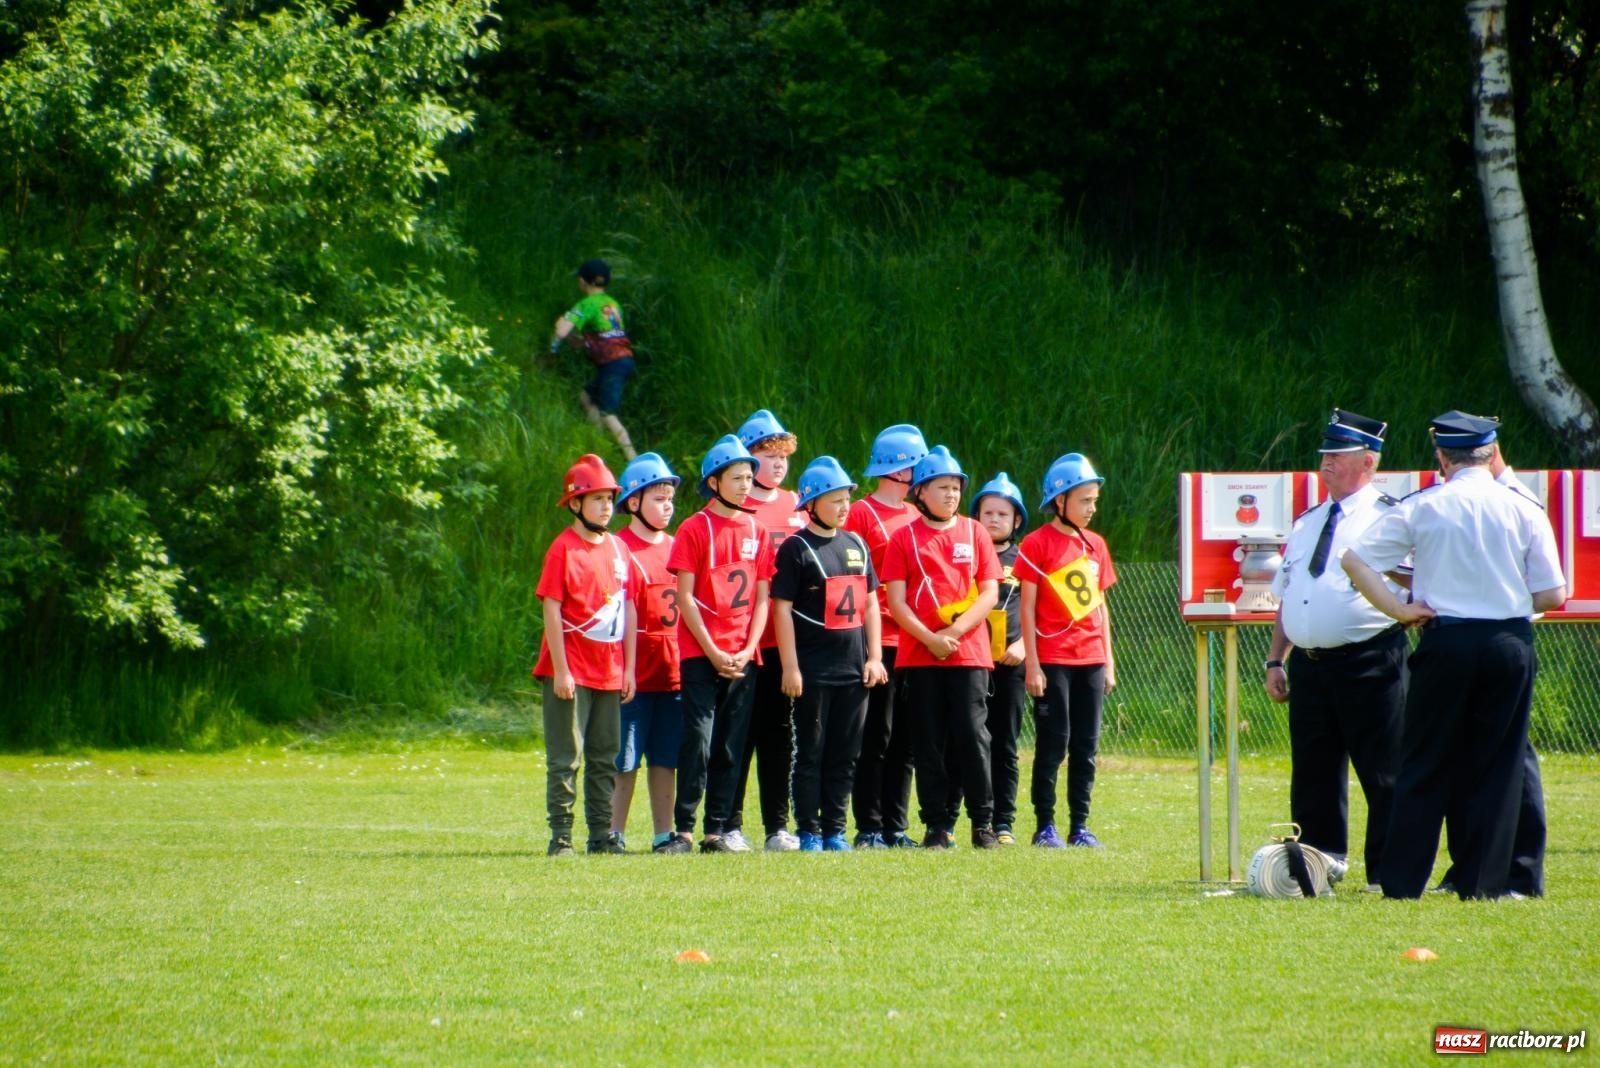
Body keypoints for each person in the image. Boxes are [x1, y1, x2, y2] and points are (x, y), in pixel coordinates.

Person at [1342, 411, 1565, 899]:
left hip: (1446, 640)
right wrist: (1504, 602)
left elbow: (1355, 561)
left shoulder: (1425, 505)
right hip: (1508, 642)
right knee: (1499, 762)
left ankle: (1402, 882)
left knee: (1424, 759)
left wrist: (1400, 611)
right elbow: (1552, 595)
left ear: (1442, 457)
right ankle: (1483, 882)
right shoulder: (1524, 508)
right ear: (1491, 454)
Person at [1262, 409, 1405, 892]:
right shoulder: (1307, 522)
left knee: (1383, 771)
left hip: (1370, 659)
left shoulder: (1390, 517)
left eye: (1336, 455)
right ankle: (1320, 863)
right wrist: (1275, 659)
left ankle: (1389, 871)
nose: (1325, 463)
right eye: (1324, 454)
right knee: (1313, 772)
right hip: (1311, 665)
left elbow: (1415, 586)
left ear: (1368, 462)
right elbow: (1289, 595)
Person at [1431, 442, 1549, 896]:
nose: (1447, 462)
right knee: (1464, 755)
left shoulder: (1517, 500)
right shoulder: (1455, 498)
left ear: (1491, 451)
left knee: (1512, 759)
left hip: (1503, 637)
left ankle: (1520, 872)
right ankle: (1469, 868)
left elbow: (1546, 585)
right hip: (1460, 637)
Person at [881, 445, 1003, 849]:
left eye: (955, 487)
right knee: (927, 741)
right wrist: (931, 639)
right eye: (941, 487)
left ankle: (982, 822)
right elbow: (895, 601)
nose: (951, 494)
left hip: (970, 655)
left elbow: (989, 591)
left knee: (972, 736)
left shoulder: (975, 531)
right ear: (920, 493)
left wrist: (957, 633)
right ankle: (936, 825)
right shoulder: (903, 539)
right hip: (919, 656)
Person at [771, 456, 889, 851]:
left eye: (846, 499)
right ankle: (809, 830)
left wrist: (874, 658)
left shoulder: (856, 543)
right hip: (813, 670)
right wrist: (791, 666)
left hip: (853, 671)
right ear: (812, 502)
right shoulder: (795, 548)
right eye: (834, 499)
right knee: (811, 752)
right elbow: (782, 608)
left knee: (846, 753)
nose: (843, 507)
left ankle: (835, 829)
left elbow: (871, 603)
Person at [665, 435, 774, 854]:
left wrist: (747, 651)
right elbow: (685, 596)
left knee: (732, 742)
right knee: (699, 738)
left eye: (749, 476)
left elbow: (763, 596)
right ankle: (684, 830)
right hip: (701, 653)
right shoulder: (694, 528)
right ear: (714, 481)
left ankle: (717, 830)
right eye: (737, 477)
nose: (746, 484)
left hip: (744, 655)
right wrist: (712, 650)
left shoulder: (757, 529)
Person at [532, 454, 636, 856]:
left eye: (610, 499)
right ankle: (561, 837)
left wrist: (628, 667)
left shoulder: (617, 548)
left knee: (604, 757)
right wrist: (561, 670)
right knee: (566, 758)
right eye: (597, 499)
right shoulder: (564, 549)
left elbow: (626, 608)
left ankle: (601, 834)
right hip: (571, 670)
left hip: (609, 670)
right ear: (575, 504)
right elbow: (551, 607)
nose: (607, 506)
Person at [1015, 453, 1117, 849]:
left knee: (1086, 748)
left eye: (1094, 501)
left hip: (1090, 659)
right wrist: (1033, 666)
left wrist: (1108, 661)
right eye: (1085, 500)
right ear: (1060, 501)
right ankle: (1045, 825)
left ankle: (1080, 826)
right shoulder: (1036, 544)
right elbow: (1026, 607)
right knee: (1053, 744)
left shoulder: (1096, 545)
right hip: (1054, 660)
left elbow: (1101, 608)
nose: (1092, 508)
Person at [844, 423, 929, 849]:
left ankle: (896, 827)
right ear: (899, 469)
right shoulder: (861, 513)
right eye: (917, 466)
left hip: (916, 640)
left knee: (906, 740)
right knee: (875, 735)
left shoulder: (918, 515)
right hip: (878, 640)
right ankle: (869, 827)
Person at [728, 410, 806, 852]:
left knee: (780, 738)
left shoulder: (798, 504)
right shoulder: (733, 507)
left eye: (783, 456)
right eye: (767, 454)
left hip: (787, 644)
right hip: (742, 642)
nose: (777, 464)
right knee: (738, 735)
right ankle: (729, 823)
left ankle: (778, 826)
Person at [609, 453, 685, 855]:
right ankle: (613, 833)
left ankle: (662, 834)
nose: (667, 505)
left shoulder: (677, 547)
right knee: (625, 760)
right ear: (634, 502)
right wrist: (625, 669)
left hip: (672, 672)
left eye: (670, 497)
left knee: (665, 759)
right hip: (633, 676)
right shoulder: (619, 548)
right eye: (658, 497)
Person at [956, 472, 1029, 845]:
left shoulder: (1025, 559)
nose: (995, 519)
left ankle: (1003, 822)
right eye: (988, 512)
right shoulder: (964, 553)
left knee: (1004, 743)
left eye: (1004, 513)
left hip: (1010, 663)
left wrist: (1026, 648)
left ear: (1017, 520)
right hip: (967, 662)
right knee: (966, 740)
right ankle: (959, 818)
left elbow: (1043, 611)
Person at [548, 258, 637, 460]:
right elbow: (606, 335)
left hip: (612, 363)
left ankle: (634, 460)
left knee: (609, 413)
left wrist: (558, 329)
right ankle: (598, 445)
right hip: (622, 360)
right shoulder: (613, 303)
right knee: (586, 397)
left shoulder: (586, 304)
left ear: (582, 281)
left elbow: (561, 332)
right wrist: (580, 340)